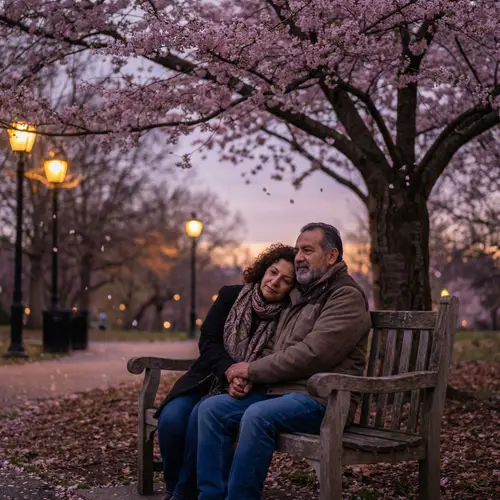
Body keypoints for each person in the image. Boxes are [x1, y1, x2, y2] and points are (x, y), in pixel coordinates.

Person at [196, 222, 372, 500]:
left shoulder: (345, 296)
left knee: (256, 416)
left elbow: (313, 354)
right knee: (211, 409)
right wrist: (245, 378)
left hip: (325, 400)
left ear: (331, 256)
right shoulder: (303, 294)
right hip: (283, 393)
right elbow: (277, 348)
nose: (298, 256)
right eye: (298, 249)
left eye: (307, 250)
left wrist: (252, 370)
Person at [155, 244, 296, 500]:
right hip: (207, 379)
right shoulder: (231, 296)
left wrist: (246, 379)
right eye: (273, 272)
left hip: (248, 389)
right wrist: (230, 371)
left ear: (292, 288)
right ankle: (173, 485)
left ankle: (184, 493)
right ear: (264, 269)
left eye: (286, 280)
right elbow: (208, 342)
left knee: (201, 417)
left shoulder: (287, 316)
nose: (275, 282)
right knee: (172, 420)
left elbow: (277, 359)